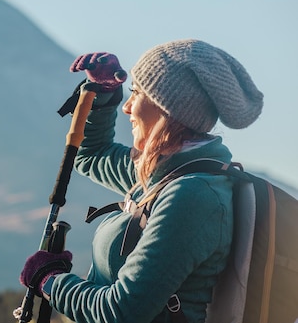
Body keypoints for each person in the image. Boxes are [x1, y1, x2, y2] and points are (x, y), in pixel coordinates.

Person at [19, 39, 264, 323]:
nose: (127, 106)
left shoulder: (191, 194)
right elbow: (91, 157)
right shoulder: (163, 176)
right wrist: (104, 93)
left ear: (167, 107)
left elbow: (121, 312)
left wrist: (50, 281)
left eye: (135, 92)